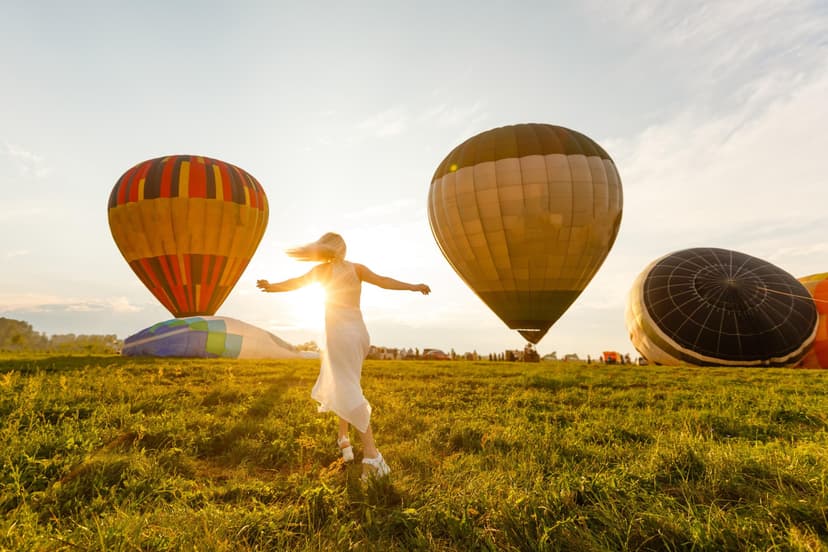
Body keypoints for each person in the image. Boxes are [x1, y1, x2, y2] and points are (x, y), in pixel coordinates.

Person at [256, 232, 430, 480]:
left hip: (339, 335)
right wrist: (413, 286)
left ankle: (373, 457)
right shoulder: (356, 269)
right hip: (359, 335)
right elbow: (383, 281)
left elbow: (295, 283)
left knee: (348, 389)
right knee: (347, 384)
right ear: (343, 249)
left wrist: (272, 288)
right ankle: (343, 438)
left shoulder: (321, 272)